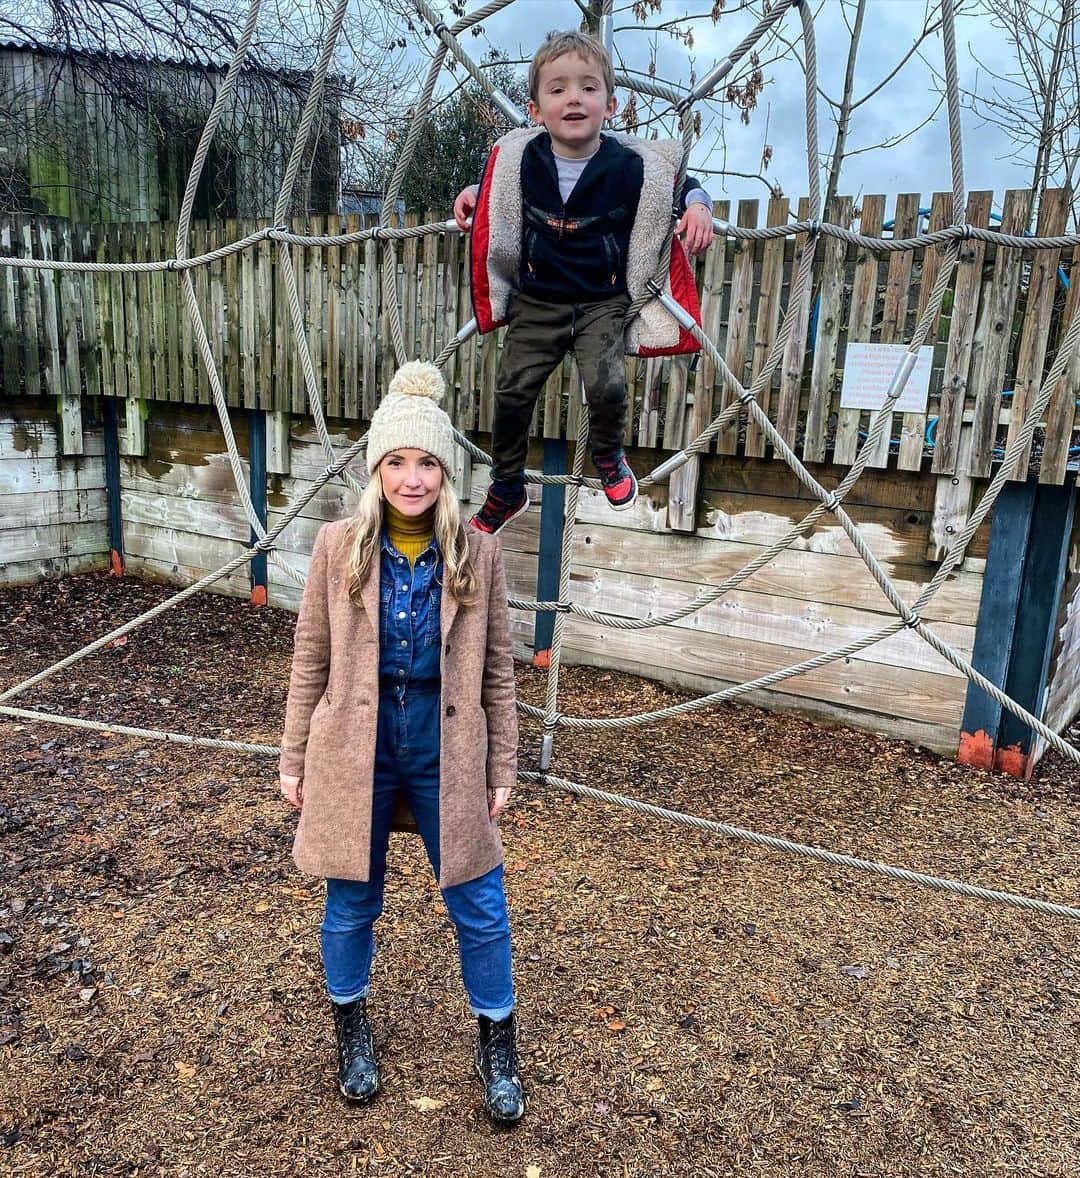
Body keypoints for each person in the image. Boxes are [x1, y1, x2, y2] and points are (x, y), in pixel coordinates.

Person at [278, 360, 524, 1125]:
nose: (411, 479)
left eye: (425, 463)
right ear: (377, 468)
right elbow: (310, 659)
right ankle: (350, 1025)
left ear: (444, 473)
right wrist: (292, 757)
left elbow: (499, 670)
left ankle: (497, 1038)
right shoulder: (337, 545)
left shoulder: (476, 553)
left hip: (445, 745)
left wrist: (502, 762)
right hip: (356, 743)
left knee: (479, 901)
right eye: (396, 462)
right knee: (352, 898)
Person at [456, 29, 714, 535]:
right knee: (511, 391)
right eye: (557, 90)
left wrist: (699, 205)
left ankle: (609, 455)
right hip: (539, 300)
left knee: (607, 384)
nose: (573, 98)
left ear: (611, 104)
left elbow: (678, 183)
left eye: (588, 88)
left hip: (602, 299)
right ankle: (507, 485)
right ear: (535, 110)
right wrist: (470, 193)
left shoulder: (628, 163)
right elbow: (497, 191)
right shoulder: (522, 157)